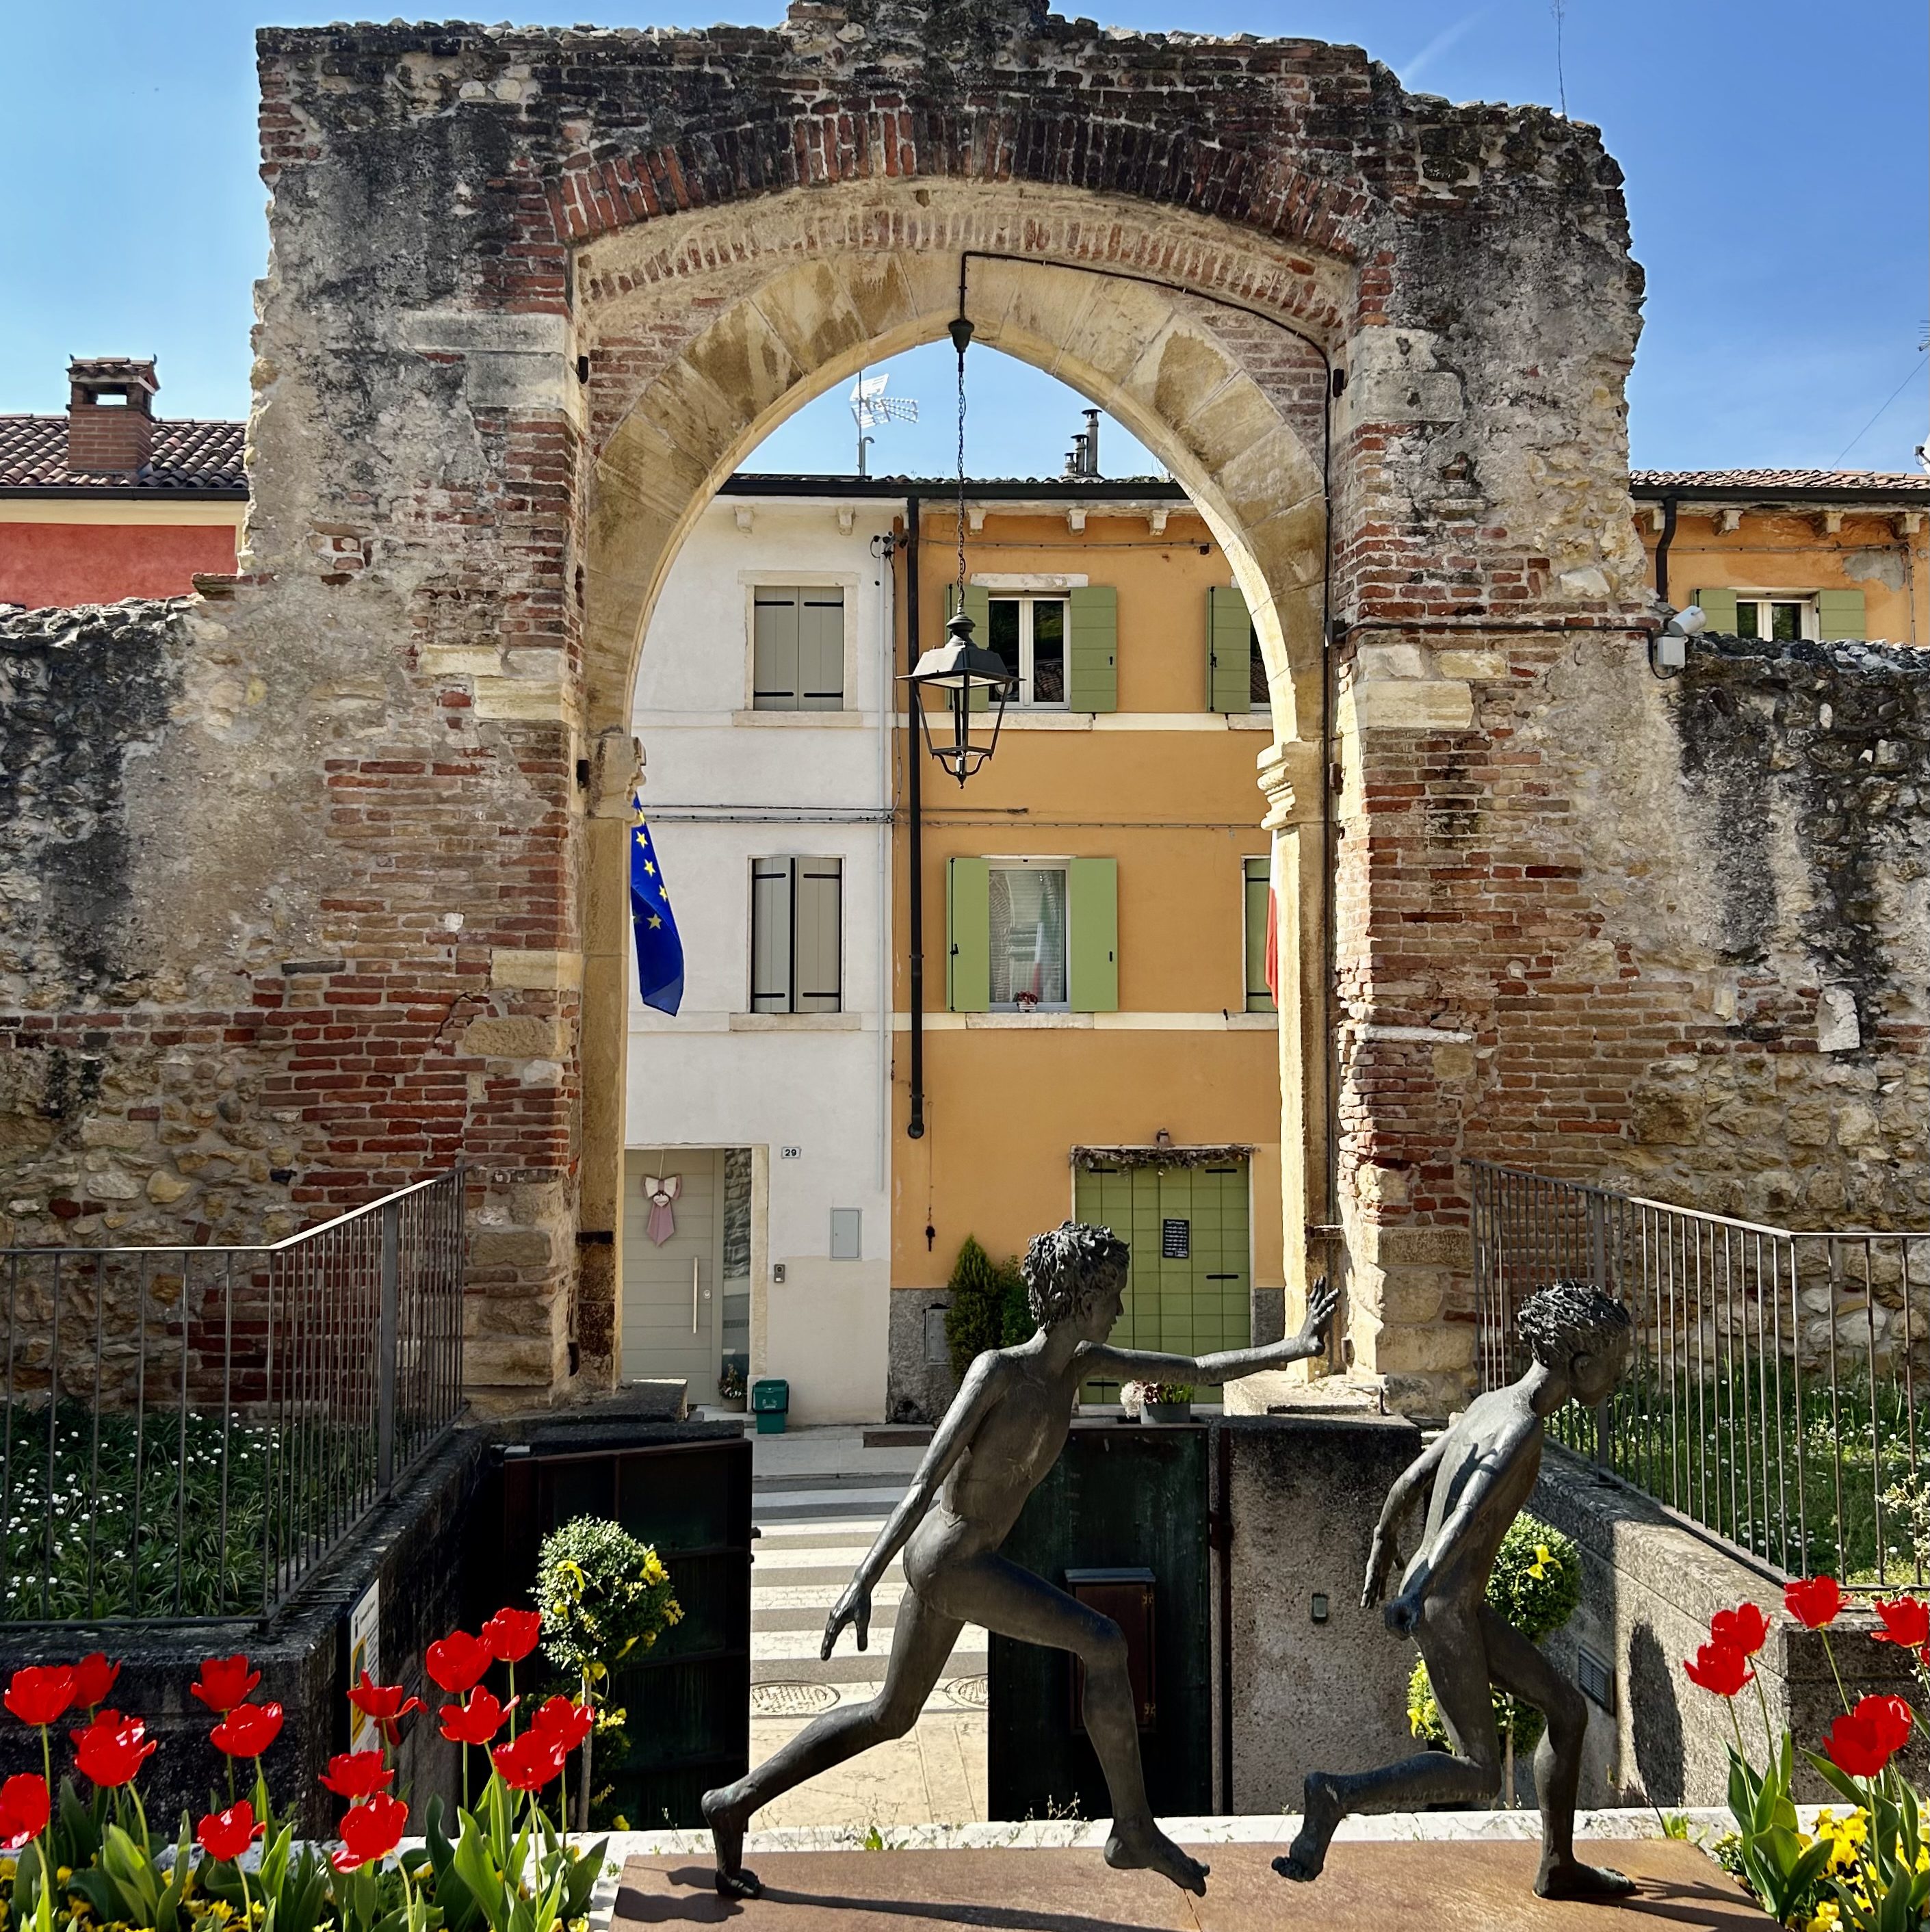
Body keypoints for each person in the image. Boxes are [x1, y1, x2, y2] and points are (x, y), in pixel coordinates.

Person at [702, 1221, 1339, 1898]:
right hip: (950, 1561)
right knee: (1104, 1642)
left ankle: (733, 1802)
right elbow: (924, 1478)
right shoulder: (998, 1372)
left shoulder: (1081, 1365)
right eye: (1113, 1295)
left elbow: (1194, 1371)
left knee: (890, 1715)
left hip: (955, 1562)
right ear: (1082, 1298)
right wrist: (861, 1579)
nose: (1120, 1308)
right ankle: (1132, 1829)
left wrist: (1293, 1347)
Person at [1274, 1279, 1636, 1903]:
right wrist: (1415, 1588)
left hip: (1451, 1601)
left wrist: (1384, 1540)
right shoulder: (1521, 1425)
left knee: (1567, 1711)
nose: (1620, 1375)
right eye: (1615, 1361)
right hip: (1442, 1606)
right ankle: (1336, 1794)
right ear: (1580, 1364)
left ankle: (1557, 1866)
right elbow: (1467, 1512)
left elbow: (1411, 1478)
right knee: (1479, 1771)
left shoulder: (1490, 1403)